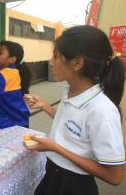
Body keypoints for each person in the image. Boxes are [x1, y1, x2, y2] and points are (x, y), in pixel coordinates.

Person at [24, 26, 125, 195]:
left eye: (56, 56)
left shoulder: (102, 111)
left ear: (77, 63)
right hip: (53, 173)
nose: (51, 62)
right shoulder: (70, 90)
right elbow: (71, 125)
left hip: (74, 184)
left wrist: (55, 148)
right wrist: (45, 106)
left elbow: (115, 176)